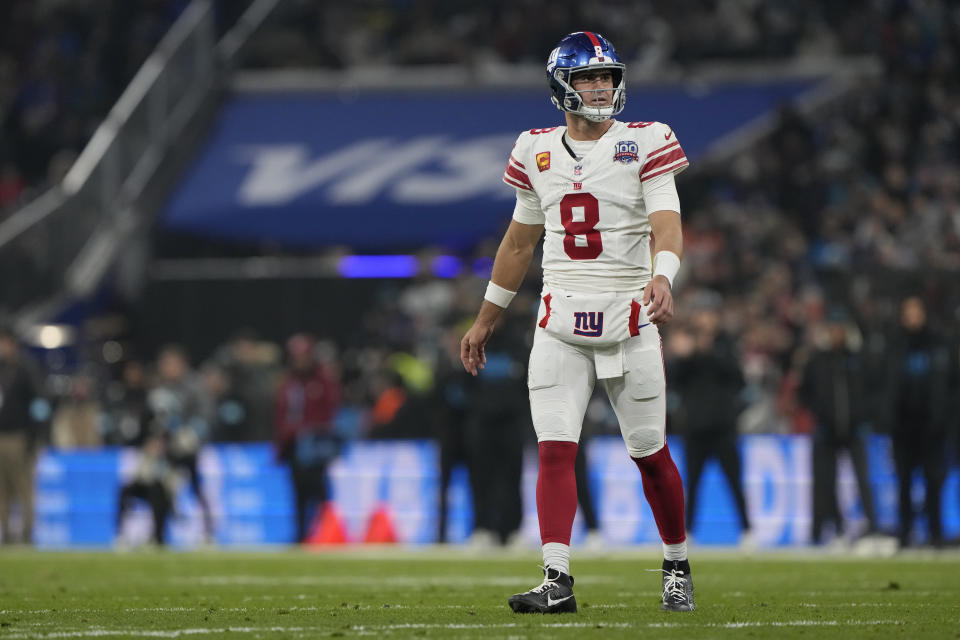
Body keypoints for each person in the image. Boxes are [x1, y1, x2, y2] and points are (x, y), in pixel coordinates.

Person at [460, 31, 693, 613]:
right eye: (588, 77)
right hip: (560, 322)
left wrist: (663, 275)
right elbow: (518, 242)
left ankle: (676, 563)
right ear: (561, 84)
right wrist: (487, 318)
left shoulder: (645, 141)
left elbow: (667, 223)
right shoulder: (534, 149)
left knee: (651, 454)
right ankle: (556, 577)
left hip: (630, 318)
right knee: (554, 449)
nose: (600, 87)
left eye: (606, 77)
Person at [669, 310, 752, 546]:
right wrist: (685, 355)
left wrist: (708, 351)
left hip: (723, 429)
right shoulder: (688, 352)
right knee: (692, 484)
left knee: (735, 482)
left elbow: (738, 378)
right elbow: (674, 379)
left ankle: (747, 531)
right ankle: (687, 533)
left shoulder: (726, 348)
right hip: (695, 430)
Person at [798, 308, 878, 545]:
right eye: (833, 330)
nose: (836, 334)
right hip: (826, 429)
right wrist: (817, 415)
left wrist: (864, 417)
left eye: (840, 330)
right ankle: (829, 529)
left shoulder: (858, 359)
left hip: (854, 429)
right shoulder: (817, 360)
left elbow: (871, 390)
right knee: (824, 482)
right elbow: (804, 392)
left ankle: (872, 528)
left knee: (863, 479)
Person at [884, 297, 951, 548]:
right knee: (903, 482)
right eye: (909, 312)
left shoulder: (939, 344)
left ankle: (935, 533)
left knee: (934, 481)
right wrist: (888, 416)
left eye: (916, 312)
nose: (913, 317)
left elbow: (950, 384)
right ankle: (905, 532)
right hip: (902, 427)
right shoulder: (895, 345)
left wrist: (943, 416)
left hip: (932, 427)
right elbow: (885, 384)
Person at [274, 333, 343, 543]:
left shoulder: (323, 380)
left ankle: (324, 533)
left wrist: (316, 433)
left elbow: (330, 411)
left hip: (316, 446)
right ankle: (300, 535)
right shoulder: (288, 382)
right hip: (294, 446)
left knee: (320, 491)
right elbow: (281, 414)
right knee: (298, 493)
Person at [0, 327, 44, 545]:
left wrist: (34, 437)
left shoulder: (25, 368)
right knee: (3, 490)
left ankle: (27, 534)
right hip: (0, 436)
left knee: (23, 488)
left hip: (18, 437)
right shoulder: (2, 368)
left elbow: (38, 404)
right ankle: (6, 535)